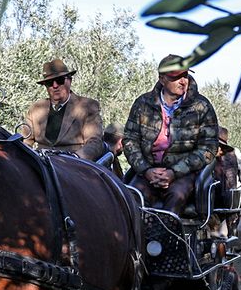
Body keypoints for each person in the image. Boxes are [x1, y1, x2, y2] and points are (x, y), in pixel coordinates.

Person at [122, 55, 219, 214]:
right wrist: (146, 170)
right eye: (176, 77)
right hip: (148, 172)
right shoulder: (143, 103)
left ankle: (168, 238)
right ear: (162, 79)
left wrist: (174, 172)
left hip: (183, 174)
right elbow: (130, 140)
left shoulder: (201, 106)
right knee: (132, 198)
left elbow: (208, 148)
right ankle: (135, 238)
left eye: (185, 75)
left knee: (176, 197)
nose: (183, 81)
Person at [21, 57, 105, 160]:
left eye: (59, 80)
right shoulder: (36, 109)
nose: (55, 86)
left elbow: (95, 143)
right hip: (42, 165)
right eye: (50, 83)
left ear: (69, 80)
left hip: (73, 165)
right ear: (46, 87)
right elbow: (25, 142)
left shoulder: (87, 107)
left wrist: (76, 158)